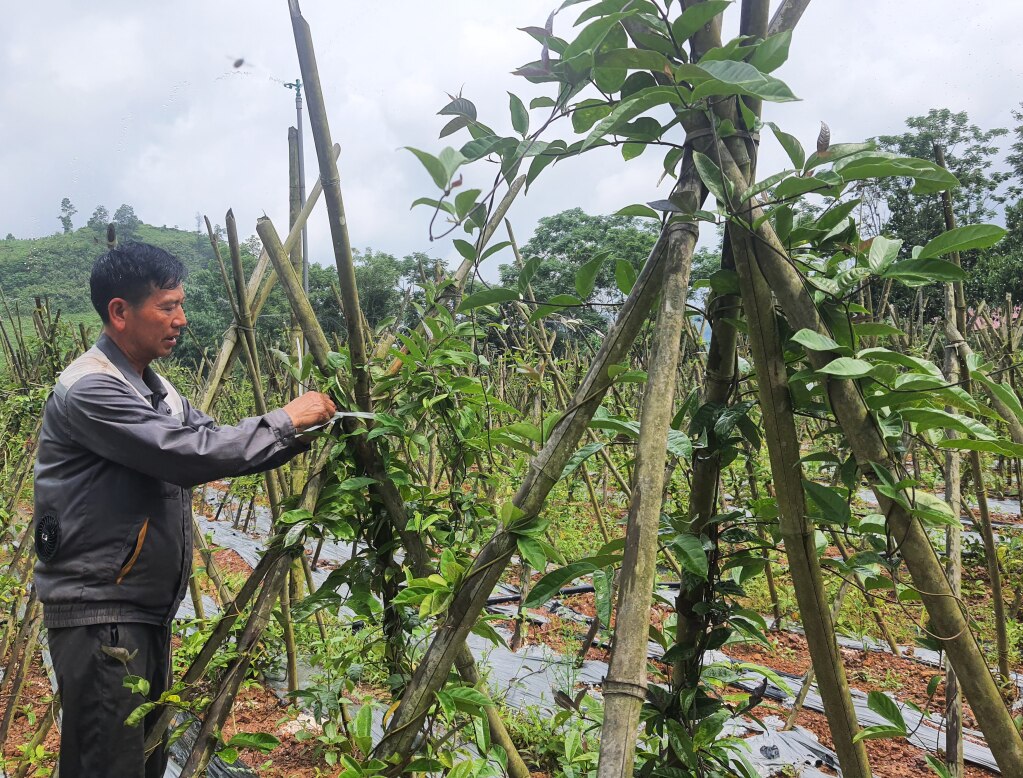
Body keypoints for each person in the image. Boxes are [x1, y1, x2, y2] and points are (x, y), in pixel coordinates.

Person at [32, 241, 336, 777]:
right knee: (109, 764)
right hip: (101, 608)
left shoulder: (159, 391)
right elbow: (188, 454)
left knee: (142, 759)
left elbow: (212, 436)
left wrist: (297, 431)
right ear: (120, 312)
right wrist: (286, 419)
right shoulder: (91, 389)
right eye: (167, 306)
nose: (181, 319)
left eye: (181, 304)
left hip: (138, 607)